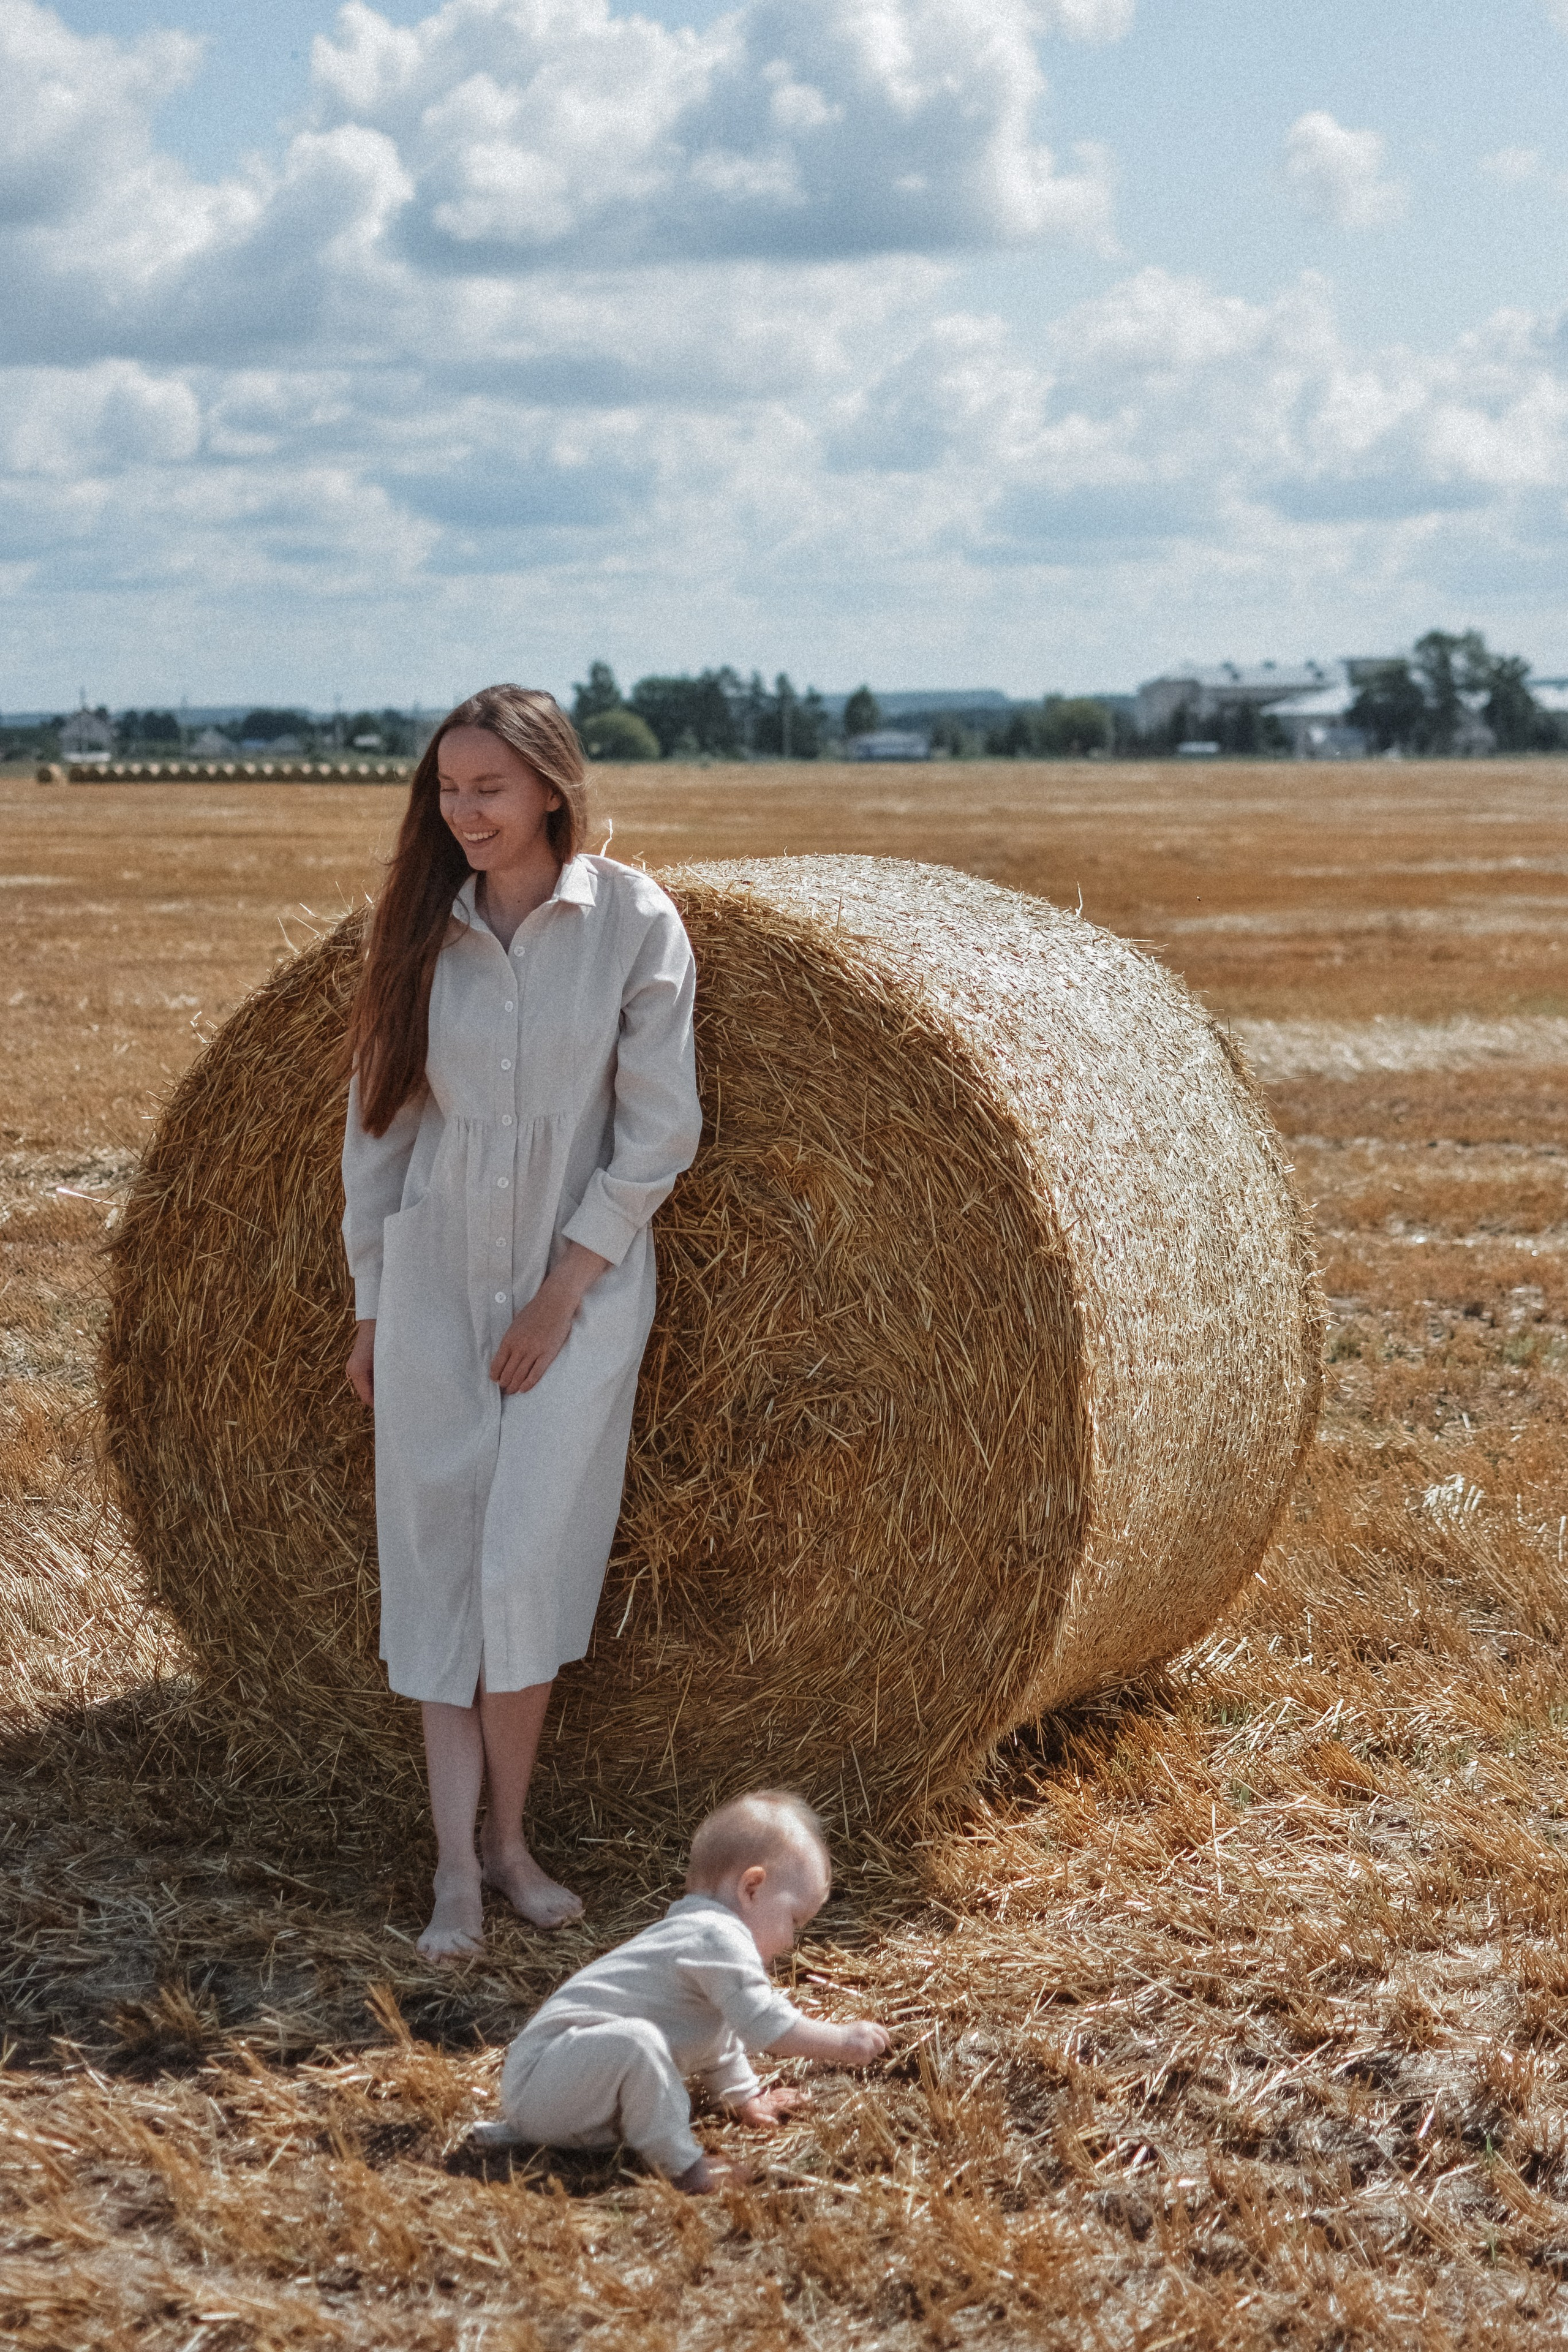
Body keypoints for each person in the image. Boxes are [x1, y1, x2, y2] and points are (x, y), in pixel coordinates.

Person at [341, 684, 702, 1962]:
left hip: (582, 1298)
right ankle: (451, 1869)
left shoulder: (630, 921)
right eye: (447, 790)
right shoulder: (414, 931)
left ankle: (511, 1843)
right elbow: (377, 1134)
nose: (464, 813)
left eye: (487, 789)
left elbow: (662, 1127)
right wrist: (375, 1309)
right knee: (437, 1564)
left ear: (550, 787)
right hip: (436, 1288)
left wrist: (561, 1291)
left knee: (523, 1567)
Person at [473, 1790, 890, 2191]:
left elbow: (715, 2032)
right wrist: (842, 2041)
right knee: (638, 2044)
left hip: (559, 2086)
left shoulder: (699, 1935)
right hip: (544, 2079)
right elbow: (764, 2026)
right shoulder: (717, 1936)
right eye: (794, 1920)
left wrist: (745, 2098)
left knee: (642, 2042)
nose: (791, 1941)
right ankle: (683, 2168)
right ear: (752, 1889)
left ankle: (618, 2138)